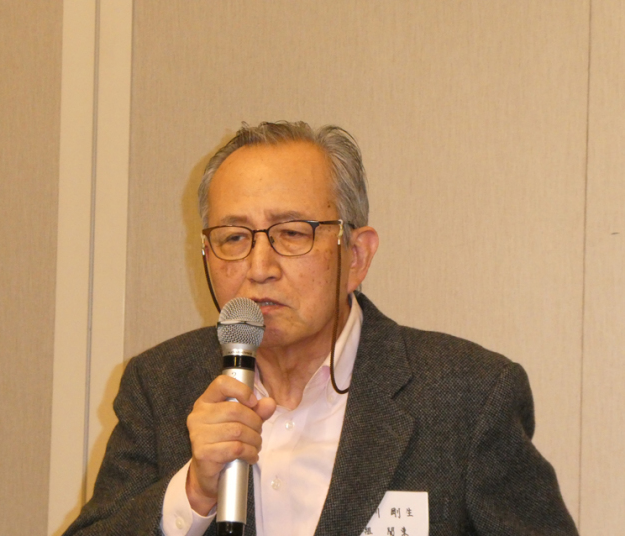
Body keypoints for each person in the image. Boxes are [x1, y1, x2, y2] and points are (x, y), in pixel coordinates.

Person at [64, 121, 578, 536]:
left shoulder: (467, 396)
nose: (258, 267)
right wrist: (193, 494)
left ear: (356, 256)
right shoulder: (160, 386)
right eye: (233, 237)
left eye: (291, 233)